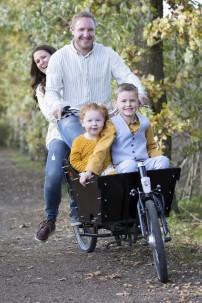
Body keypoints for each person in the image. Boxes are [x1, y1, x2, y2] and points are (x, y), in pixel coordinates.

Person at [45, 10, 149, 149]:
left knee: (130, 144)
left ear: (95, 31)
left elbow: (126, 76)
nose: (86, 34)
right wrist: (57, 104)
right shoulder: (59, 57)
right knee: (57, 169)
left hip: (104, 117)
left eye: (90, 30)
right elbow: (51, 90)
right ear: (72, 30)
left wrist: (139, 92)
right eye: (81, 29)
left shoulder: (108, 54)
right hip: (73, 117)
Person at [31, 45, 81, 243]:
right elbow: (51, 114)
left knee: (83, 167)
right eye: (38, 61)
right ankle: (50, 220)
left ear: (54, 56)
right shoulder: (41, 89)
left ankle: (78, 210)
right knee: (53, 174)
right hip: (58, 134)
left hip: (84, 128)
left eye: (44, 57)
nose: (42, 62)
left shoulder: (73, 76)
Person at [80, 83, 170, 186]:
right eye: (123, 101)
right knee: (130, 165)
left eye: (132, 100)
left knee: (164, 161)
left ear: (138, 102)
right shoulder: (111, 123)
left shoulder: (145, 122)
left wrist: (158, 160)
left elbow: (151, 146)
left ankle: (153, 193)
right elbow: (102, 148)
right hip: (122, 166)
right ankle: (130, 196)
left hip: (144, 163)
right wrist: (89, 171)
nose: (128, 104)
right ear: (116, 103)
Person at [70, 103, 116, 182]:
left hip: (106, 169)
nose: (94, 124)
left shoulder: (105, 138)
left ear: (104, 122)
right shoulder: (78, 141)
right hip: (86, 171)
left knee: (115, 177)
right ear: (83, 123)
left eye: (98, 120)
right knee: (88, 182)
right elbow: (74, 161)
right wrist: (88, 169)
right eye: (89, 120)